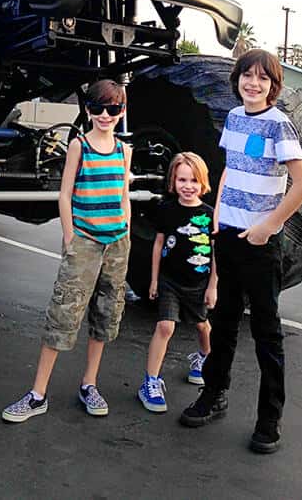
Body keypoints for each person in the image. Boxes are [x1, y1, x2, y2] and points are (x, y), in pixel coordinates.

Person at [179, 49, 302, 454]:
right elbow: (230, 171)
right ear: (237, 80)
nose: (253, 84)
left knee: (266, 335)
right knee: (223, 325)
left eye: (262, 79)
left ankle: (269, 419)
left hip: (259, 245)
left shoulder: (279, 126)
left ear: (273, 86)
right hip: (228, 237)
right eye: (247, 76)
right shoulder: (235, 118)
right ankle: (213, 396)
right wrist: (217, 213)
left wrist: (267, 227)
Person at [2, 79, 132, 423]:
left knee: (106, 314)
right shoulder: (79, 146)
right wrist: (71, 237)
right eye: (99, 108)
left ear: (122, 111)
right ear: (88, 110)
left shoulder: (123, 150)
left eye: (113, 108)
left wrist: (126, 230)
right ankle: (37, 394)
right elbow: (65, 193)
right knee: (63, 314)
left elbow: (123, 194)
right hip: (86, 241)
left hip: (117, 242)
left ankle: (89, 384)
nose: (106, 115)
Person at [137, 152, 217, 414]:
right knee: (165, 326)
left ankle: (203, 358)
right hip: (170, 280)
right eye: (182, 179)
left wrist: (213, 286)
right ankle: (150, 381)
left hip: (198, 282)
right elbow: (159, 243)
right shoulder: (167, 210)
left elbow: (216, 253)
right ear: (173, 180)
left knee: (203, 326)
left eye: (194, 180)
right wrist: (153, 280)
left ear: (203, 182)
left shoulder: (209, 214)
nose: (188, 185)